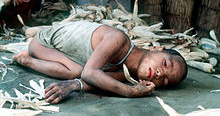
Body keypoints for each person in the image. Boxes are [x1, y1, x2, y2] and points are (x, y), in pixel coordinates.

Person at [12, 21, 188, 104]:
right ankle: (28, 60)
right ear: (157, 48)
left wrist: (72, 86)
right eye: (165, 64)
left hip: (62, 55)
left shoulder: (125, 73)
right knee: (79, 70)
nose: (159, 73)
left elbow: (94, 81)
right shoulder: (118, 40)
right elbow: (89, 74)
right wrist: (130, 91)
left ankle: (26, 60)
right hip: (43, 42)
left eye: (164, 80)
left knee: (76, 73)